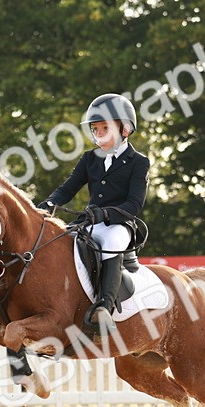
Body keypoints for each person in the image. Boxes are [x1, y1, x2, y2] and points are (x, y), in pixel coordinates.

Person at [37, 93, 148, 333]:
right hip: (89, 221)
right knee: (59, 241)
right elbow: (67, 189)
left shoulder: (139, 162)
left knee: (111, 242)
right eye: (95, 129)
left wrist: (106, 215)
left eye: (105, 128)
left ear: (125, 129)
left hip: (119, 224)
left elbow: (134, 204)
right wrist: (48, 204)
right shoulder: (89, 159)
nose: (99, 134)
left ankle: (104, 307)